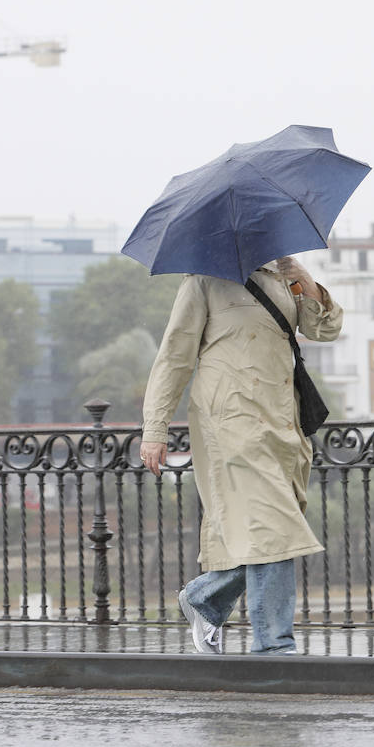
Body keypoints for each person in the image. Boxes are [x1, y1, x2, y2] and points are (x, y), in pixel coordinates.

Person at [139, 255, 341, 655]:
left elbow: (325, 329)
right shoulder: (203, 280)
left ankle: (205, 597)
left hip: (283, 425)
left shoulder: (281, 278)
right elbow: (174, 357)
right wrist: (155, 428)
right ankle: (274, 646)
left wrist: (303, 279)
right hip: (230, 424)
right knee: (275, 531)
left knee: (271, 533)